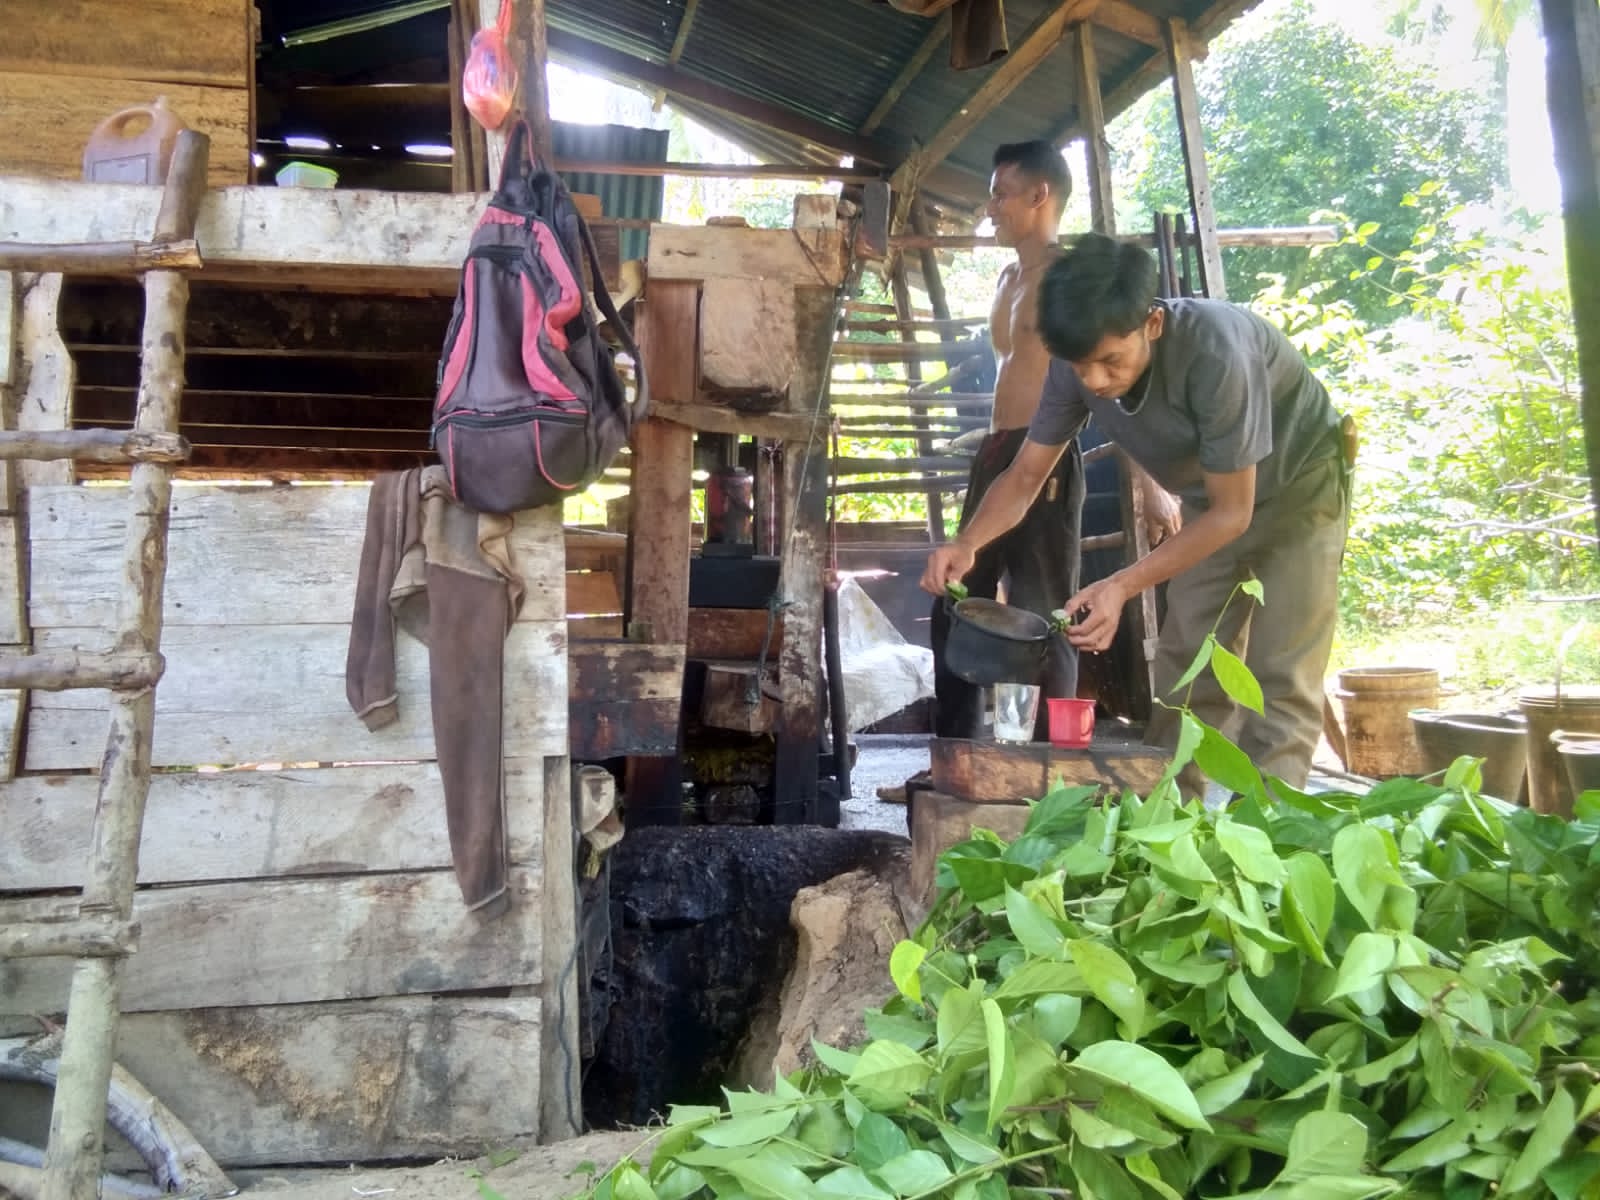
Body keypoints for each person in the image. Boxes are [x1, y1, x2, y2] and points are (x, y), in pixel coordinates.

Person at [922, 232, 1349, 788]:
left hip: (1300, 490)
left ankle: (1273, 842)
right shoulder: (1074, 369)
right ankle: (1170, 825)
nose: (1095, 381)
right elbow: (1027, 475)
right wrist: (967, 542)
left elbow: (1233, 513)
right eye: (1081, 367)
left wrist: (1121, 584)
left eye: (1110, 361)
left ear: (1151, 324)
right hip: (1211, 502)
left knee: (1280, 675)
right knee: (1185, 665)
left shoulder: (1216, 351)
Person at [930, 142, 1178, 740]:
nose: (990, 207)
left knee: (1046, 609)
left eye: (1000, 193)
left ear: (1039, 195)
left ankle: (1053, 760)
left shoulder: (1072, 283)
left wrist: (1152, 481)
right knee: (953, 601)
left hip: (1047, 456)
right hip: (997, 453)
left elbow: (1124, 385)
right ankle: (953, 753)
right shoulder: (1008, 275)